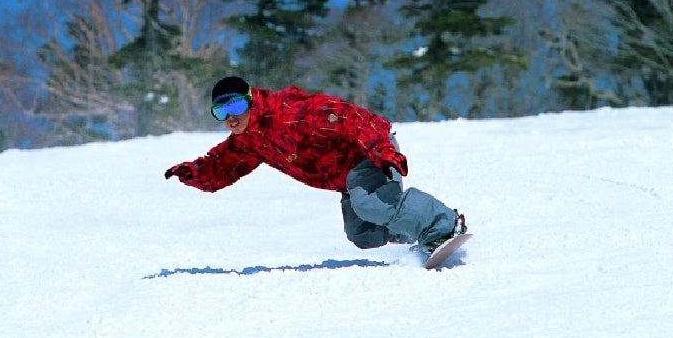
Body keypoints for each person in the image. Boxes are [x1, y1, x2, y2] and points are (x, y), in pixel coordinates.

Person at [165, 76, 466, 254]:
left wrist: (382, 151)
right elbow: (220, 167)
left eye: (236, 106)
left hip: (365, 154)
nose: (231, 118)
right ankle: (421, 235)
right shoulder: (248, 141)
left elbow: (354, 119)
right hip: (345, 178)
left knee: (368, 204)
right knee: (363, 234)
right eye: (221, 112)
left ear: (251, 99)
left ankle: (443, 225)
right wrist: (194, 173)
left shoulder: (290, 113)